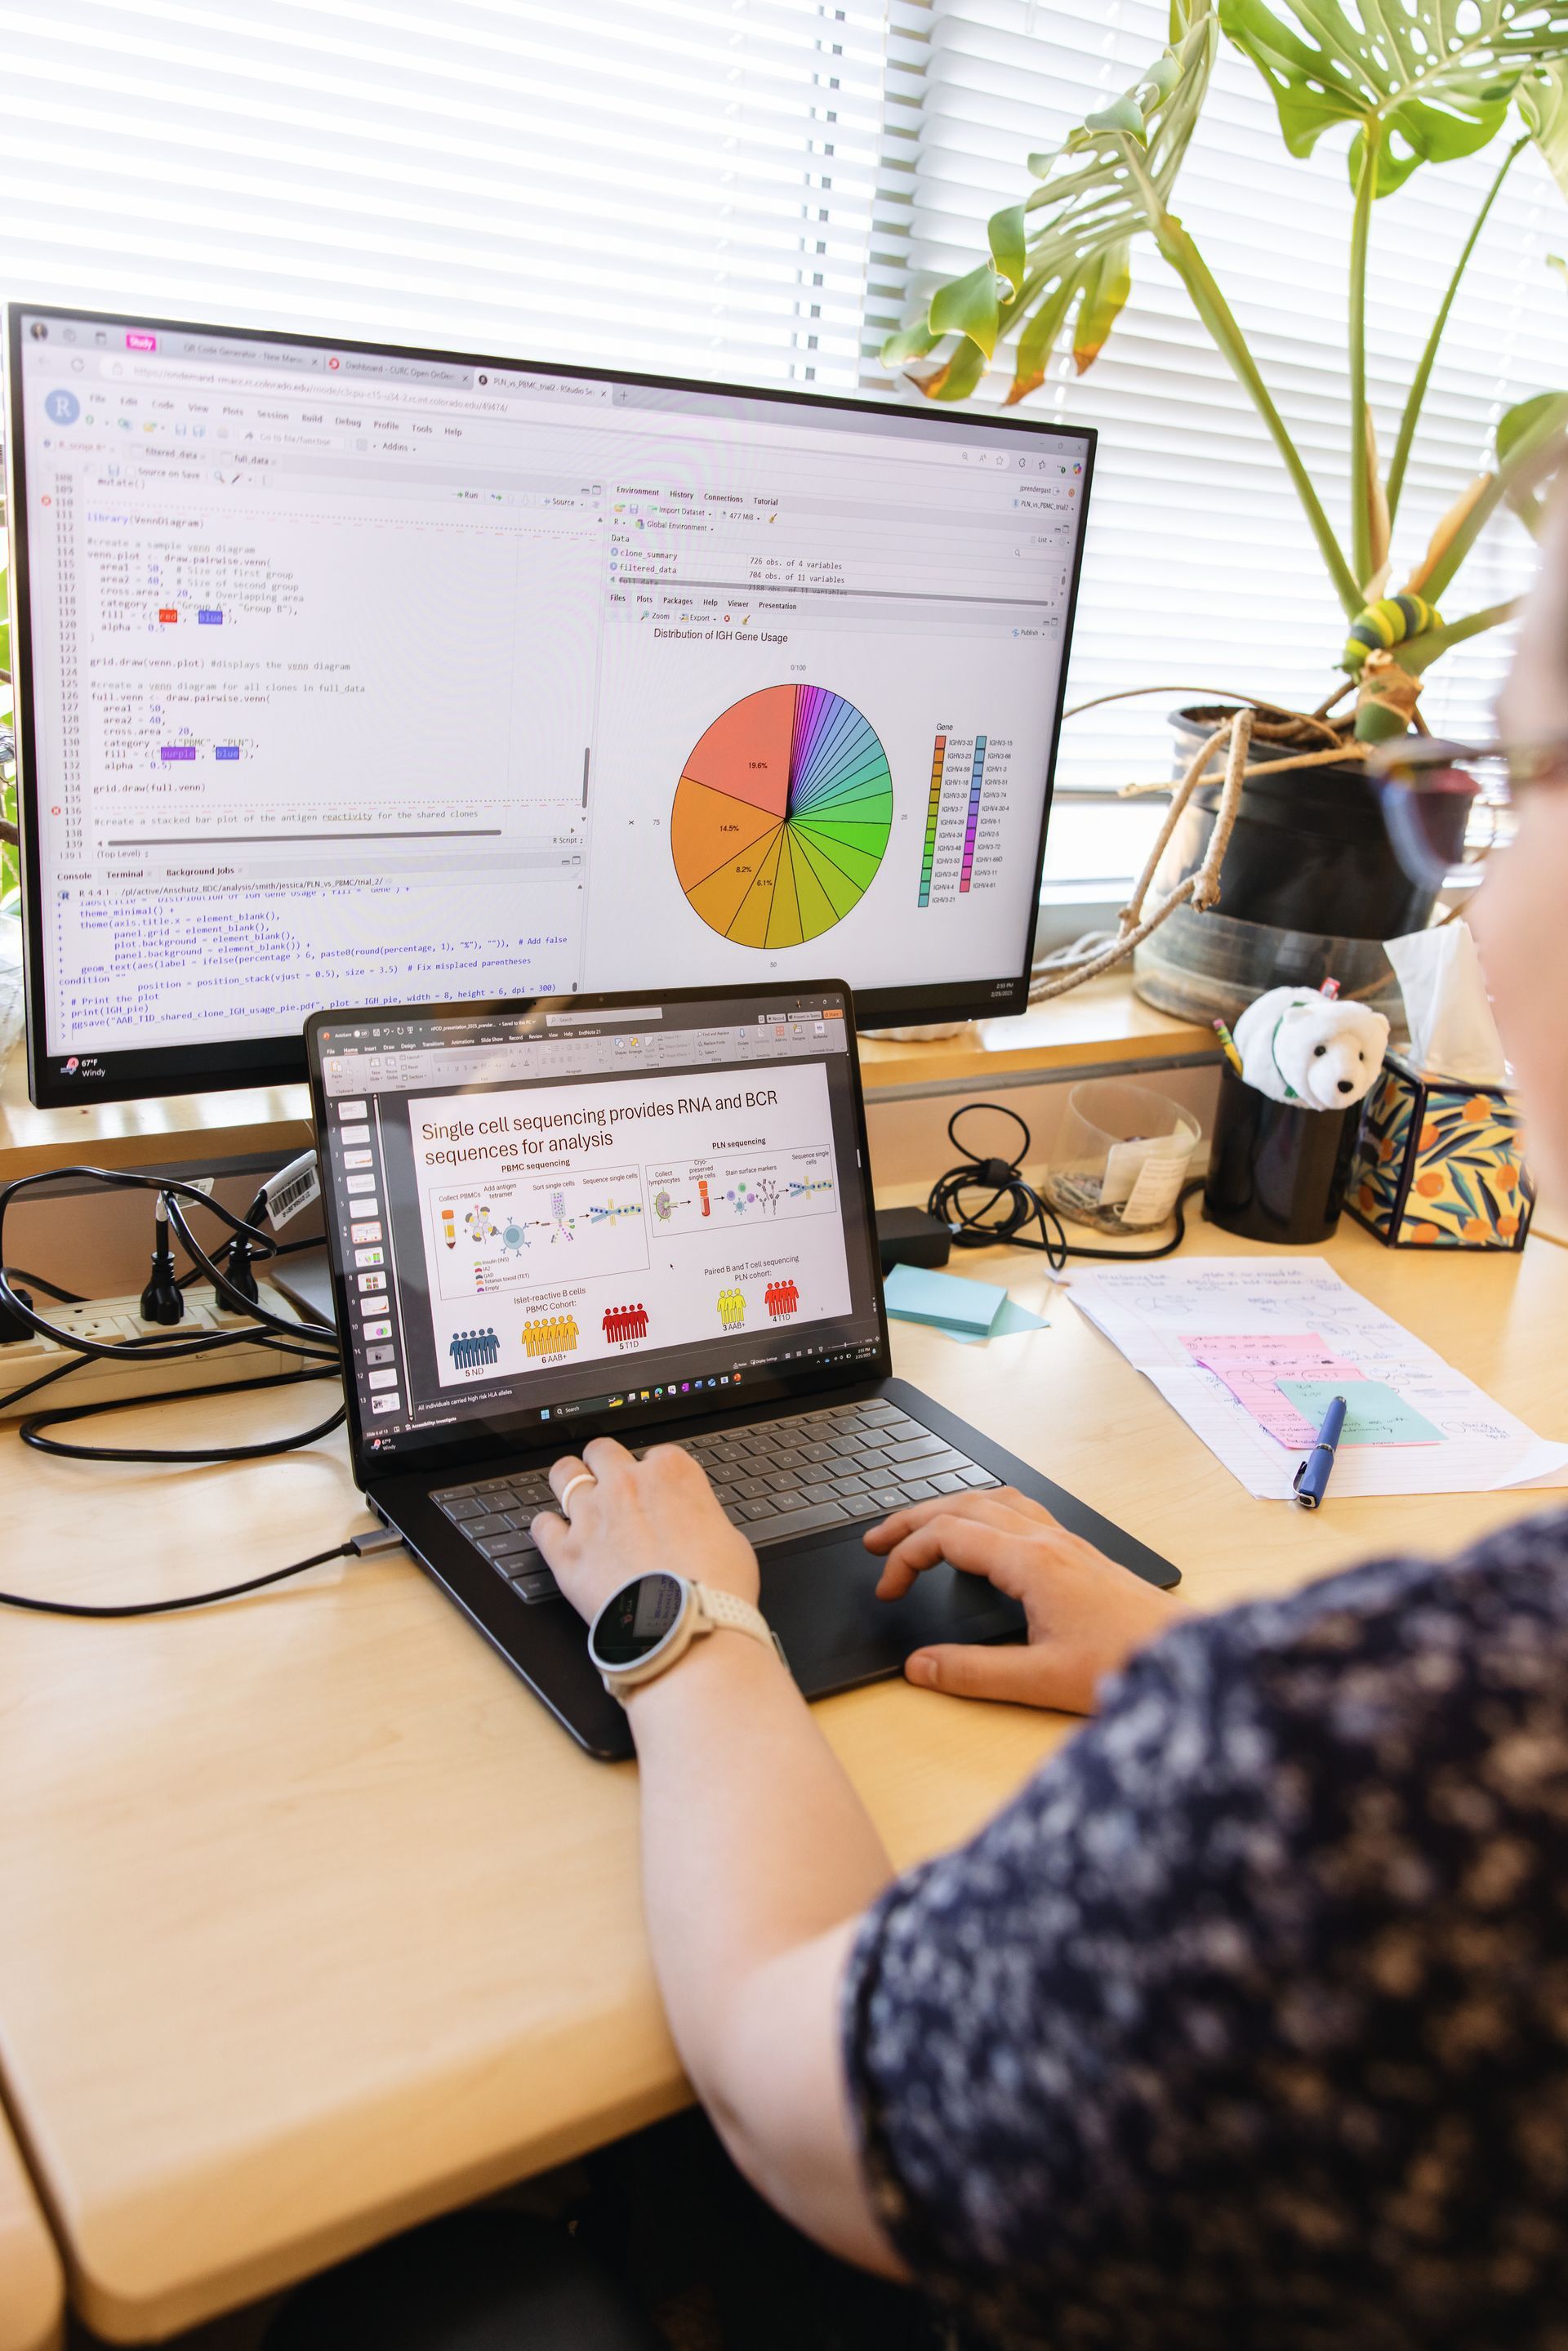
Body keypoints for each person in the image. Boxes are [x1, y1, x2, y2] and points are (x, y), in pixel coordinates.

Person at [531, 496, 1568, 2349]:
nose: (1477, 899)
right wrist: (1195, 1667)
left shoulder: (1390, 1779)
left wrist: (687, 1628)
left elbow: (793, 2081)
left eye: (1527, 780)